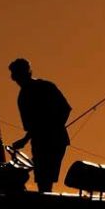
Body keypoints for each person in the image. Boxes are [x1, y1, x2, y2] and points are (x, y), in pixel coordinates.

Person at [8, 57, 70, 193]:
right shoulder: (26, 95)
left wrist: (53, 128)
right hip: (43, 141)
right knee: (43, 178)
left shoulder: (43, 88)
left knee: (44, 178)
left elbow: (65, 109)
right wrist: (25, 140)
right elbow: (33, 127)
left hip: (54, 141)